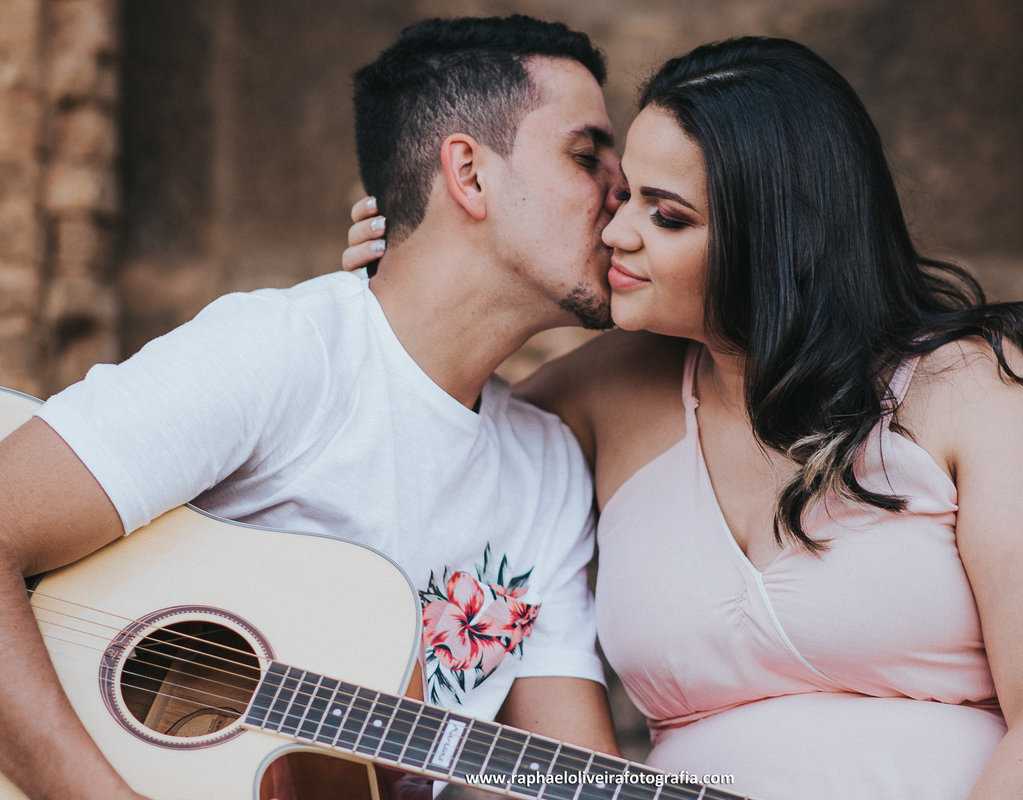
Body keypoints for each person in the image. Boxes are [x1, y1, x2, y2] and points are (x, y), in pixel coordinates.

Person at [346, 36, 1023, 799]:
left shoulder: (969, 389)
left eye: (668, 216)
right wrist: (400, 292)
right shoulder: (596, 398)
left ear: (780, 242)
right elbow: (414, 445)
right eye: (624, 197)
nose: (617, 233)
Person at [0, 16, 627, 800]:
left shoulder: (548, 472)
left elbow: (565, 776)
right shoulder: (283, 352)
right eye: (587, 156)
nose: (624, 194)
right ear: (469, 174)